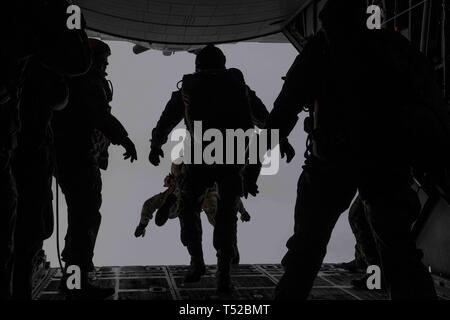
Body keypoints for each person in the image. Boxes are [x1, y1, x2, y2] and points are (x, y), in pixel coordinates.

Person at [264, 0, 438, 300]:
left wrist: (260, 156)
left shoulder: (321, 49)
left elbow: (286, 106)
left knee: (306, 250)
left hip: (331, 162)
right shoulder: (391, 46)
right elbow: (428, 99)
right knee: (399, 251)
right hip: (386, 162)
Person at [148, 45, 294, 291]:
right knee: (227, 217)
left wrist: (156, 143)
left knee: (187, 207)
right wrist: (283, 141)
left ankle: (196, 261)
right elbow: (262, 116)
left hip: (200, 156)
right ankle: (223, 275)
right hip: (232, 157)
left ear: (198, 66)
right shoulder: (238, 85)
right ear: (223, 64)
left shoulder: (189, 86)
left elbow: (168, 117)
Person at [0, 0, 91, 300]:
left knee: (30, 228)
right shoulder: (43, 20)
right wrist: (74, 18)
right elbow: (78, 63)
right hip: (26, 144)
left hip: (20, 141)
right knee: (28, 230)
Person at [52, 38, 137, 299]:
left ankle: (75, 280)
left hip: (73, 158)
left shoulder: (76, 79)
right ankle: (76, 285)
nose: (106, 67)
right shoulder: (86, 82)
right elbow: (100, 116)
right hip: (79, 159)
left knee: (85, 218)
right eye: (103, 61)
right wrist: (124, 138)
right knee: (83, 220)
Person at [134, 162, 251, 265]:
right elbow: (230, 198)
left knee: (189, 213)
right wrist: (243, 212)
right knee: (215, 214)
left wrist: (142, 225)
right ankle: (227, 247)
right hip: (200, 187)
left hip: (186, 188)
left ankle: (205, 254)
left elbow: (149, 205)